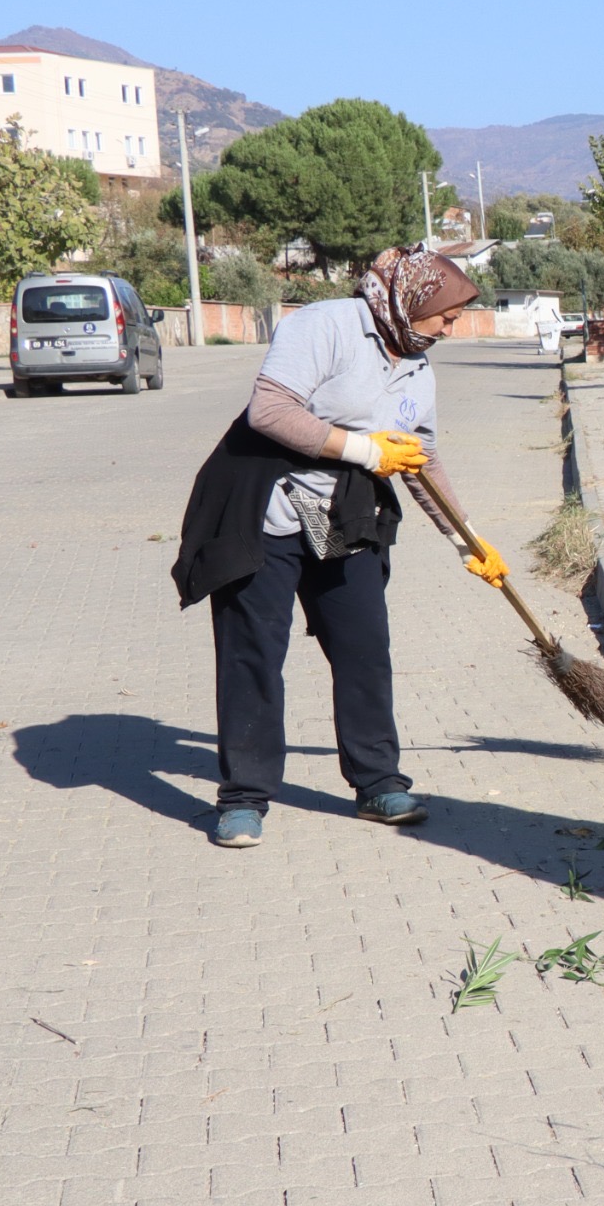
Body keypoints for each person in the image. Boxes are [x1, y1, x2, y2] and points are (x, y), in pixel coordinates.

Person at [171, 246, 509, 848]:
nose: (451, 328)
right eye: (447, 315)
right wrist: (364, 451)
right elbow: (269, 412)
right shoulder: (324, 326)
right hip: (267, 510)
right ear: (413, 300)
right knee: (253, 655)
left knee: (363, 648)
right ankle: (244, 798)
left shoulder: (416, 363)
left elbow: (421, 459)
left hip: (345, 518)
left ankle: (378, 783)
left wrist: (467, 539)